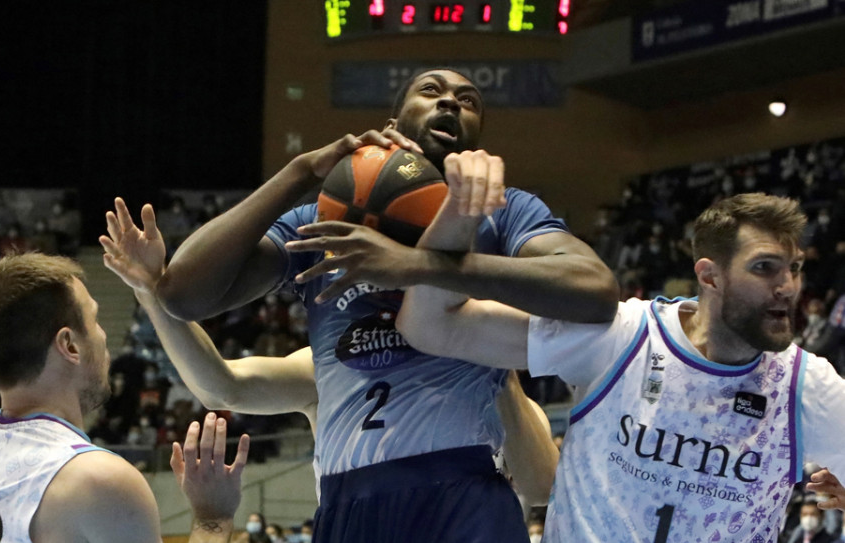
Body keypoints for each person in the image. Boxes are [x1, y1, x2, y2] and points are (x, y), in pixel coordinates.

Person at [154, 68, 616, 542]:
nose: (451, 103)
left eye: (469, 100)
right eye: (432, 91)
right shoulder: (325, 216)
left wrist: (419, 265)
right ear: (394, 119)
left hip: (461, 487)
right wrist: (300, 174)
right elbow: (182, 294)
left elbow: (596, 289)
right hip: (346, 499)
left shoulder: (504, 211)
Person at [397, 192, 845, 542]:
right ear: (710, 276)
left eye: (795, 268)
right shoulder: (620, 334)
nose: (787, 286)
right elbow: (432, 326)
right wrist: (458, 212)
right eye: (765, 268)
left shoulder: (807, 385)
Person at [99, 197, 559, 506]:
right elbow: (223, 388)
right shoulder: (335, 366)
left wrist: (493, 362)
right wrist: (150, 291)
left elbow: (541, 487)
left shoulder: (486, 375)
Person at [0, 252, 250, 542]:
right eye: (94, 318)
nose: (103, 335)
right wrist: (213, 518)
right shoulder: (99, 480)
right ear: (70, 345)